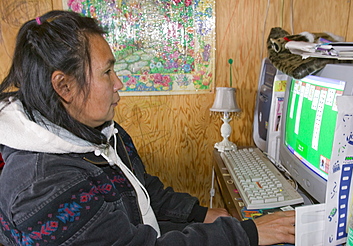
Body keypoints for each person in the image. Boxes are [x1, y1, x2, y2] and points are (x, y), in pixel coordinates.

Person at [0, 10, 295, 246]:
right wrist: (246, 235)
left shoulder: (97, 132)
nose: (118, 84)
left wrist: (201, 214)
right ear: (64, 86)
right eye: (106, 72)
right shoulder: (45, 189)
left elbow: (140, 189)